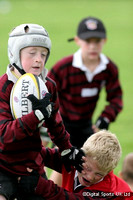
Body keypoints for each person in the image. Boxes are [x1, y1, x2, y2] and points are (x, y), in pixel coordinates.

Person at [0, 23, 84, 200]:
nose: (39, 59)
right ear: (14, 53)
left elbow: (56, 124)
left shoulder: (48, 86)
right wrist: (36, 116)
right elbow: (4, 137)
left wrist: (66, 149)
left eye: (43, 54)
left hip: (32, 166)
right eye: (32, 53)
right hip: (3, 167)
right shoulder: (3, 87)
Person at [48, 16, 123, 185]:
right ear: (77, 41)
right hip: (63, 127)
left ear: (104, 41)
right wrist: (47, 126)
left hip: (87, 127)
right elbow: (46, 95)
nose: (92, 46)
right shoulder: (63, 67)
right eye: (87, 41)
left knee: (94, 170)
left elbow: (116, 98)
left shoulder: (108, 69)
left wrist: (105, 118)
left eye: (97, 41)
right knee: (62, 169)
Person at [19, 130, 133, 199]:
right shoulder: (75, 159)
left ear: (108, 172)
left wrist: (39, 184)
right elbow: (41, 153)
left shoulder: (107, 190)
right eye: (87, 168)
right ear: (82, 154)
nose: (90, 177)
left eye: (99, 174)